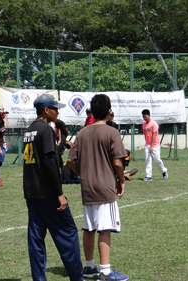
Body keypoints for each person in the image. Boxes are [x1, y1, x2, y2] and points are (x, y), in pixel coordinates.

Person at [67, 94, 129, 281]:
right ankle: (106, 271)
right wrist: (121, 180)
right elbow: (118, 163)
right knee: (104, 228)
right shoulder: (112, 132)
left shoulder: (82, 133)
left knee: (88, 228)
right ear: (109, 111)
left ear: (92, 112)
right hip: (105, 187)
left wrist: (81, 174)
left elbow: (70, 160)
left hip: (87, 188)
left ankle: (89, 267)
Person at [22, 94, 84, 281]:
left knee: (36, 239)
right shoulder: (46, 130)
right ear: (46, 110)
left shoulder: (29, 130)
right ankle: (77, 277)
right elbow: (50, 162)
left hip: (31, 193)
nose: (58, 112)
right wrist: (60, 193)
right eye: (55, 108)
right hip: (48, 193)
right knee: (68, 232)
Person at [141, 109, 168, 181]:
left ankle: (164, 171)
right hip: (147, 145)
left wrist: (152, 146)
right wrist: (147, 144)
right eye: (143, 116)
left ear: (149, 115)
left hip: (155, 145)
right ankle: (148, 176)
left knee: (157, 160)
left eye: (145, 116)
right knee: (147, 160)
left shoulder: (154, 124)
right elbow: (145, 135)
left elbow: (154, 135)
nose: (144, 118)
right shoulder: (144, 125)